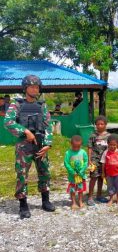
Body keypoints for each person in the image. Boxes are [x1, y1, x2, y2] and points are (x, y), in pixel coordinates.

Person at [4, 75, 55, 219]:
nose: (35, 89)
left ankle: (45, 201)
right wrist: (25, 131)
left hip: (40, 145)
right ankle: (23, 205)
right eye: (32, 86)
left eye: (37, 87)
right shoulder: (17, 105)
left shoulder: (42, 106)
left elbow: (48, 125)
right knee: (22, 175)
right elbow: (8, 122)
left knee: (44, 172)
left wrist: (48, 144)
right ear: (25, 88)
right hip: (24, 146)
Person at [87, 115, 110, 206]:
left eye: (102, 124)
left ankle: (99, 195)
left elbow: (111, 148)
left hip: (104, 161)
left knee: (101, 177)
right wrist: (89, 160)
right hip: (94, 160)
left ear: (105, 125)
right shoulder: (93, 136)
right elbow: (89, 147)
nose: (100, 126)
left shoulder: (109, 136)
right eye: (98, 124)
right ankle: (90, 197)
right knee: (93, 177)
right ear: (95, 125)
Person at [100, 134, 118, 206]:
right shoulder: (106, 152)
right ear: (108, 144)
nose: (113, 146)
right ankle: (111, 199)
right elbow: (103, 163)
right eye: (111, 145)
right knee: (110, 187)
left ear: (117, 144)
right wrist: (103, 173)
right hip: (109, 174)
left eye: (114, 145)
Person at [64, 135, 88, 210]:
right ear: (71, 144)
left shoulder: (83, 152)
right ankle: (73, 202)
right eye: (75, 146)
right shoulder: (68, 153)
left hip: (81, 175)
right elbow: (66, 163)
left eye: (78, 146)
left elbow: (86, 162)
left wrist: (82, 170)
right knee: (73, 189)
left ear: (81, 145)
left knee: (80, 189)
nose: (76, 148)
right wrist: (72, 172)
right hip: (72, 175)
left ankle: (80, 201)